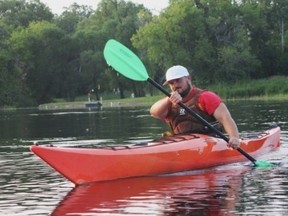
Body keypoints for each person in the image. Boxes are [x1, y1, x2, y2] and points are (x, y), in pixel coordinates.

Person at [150, 65, 240, 149]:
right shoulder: (169, 103)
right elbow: (154, 112)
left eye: (178, 80)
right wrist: (168, 99)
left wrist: (234, 137)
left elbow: (225, 118)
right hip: (182, 146)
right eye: (171, 83)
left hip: (210, 144)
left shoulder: (205, 97)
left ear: (188, 78)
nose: (175, 85)